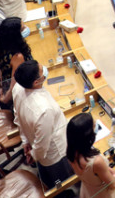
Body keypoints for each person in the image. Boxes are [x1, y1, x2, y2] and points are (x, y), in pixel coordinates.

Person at [12, 60, 73, 189]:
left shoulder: (17, 88)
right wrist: (33, 155)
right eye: (42, 71)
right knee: (61, 185)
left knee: (48, 177)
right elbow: (42, 144)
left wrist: (25, 142)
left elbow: (18, 118)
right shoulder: (44, 110)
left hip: (34, 142)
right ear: (36, 82)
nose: (45, 70)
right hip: (55, 155)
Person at [67, 113, 115, 198]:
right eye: (94, 125)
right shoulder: (96, 162)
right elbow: (114, 184)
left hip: (87, 191)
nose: (96, 125)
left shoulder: (71, 152)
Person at [0, 17, 32, 109]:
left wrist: (1, 87)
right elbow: (15, 83)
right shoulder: (17, 57)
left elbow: (2, 70)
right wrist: (5, 99)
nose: (26, 28)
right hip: (15, 97)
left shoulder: (4, 45)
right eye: (23, 28)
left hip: (5, 88)